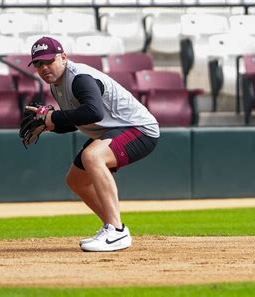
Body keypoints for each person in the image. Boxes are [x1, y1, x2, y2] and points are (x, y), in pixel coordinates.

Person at [27, 36, 160, 252]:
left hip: (140, 129)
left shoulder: (80, 78)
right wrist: (51, 125)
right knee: (76, 180)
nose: (44, 67)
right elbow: (81, 120)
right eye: (38, 64)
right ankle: (115, 227)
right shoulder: (57, 86)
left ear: (63, 57)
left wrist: (55, 118)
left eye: (49, 61)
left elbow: (93, 111)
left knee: (93, 156)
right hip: (112, 130)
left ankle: (115, 231)